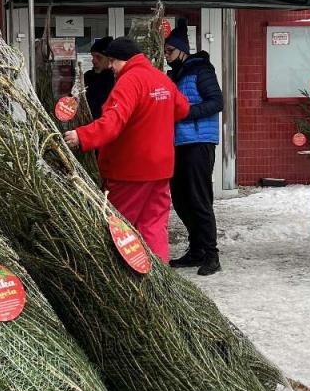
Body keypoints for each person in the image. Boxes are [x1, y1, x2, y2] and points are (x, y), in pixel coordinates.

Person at [65, 37, 189, 261]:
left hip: (129, 170)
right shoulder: (160, 78)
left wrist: (81, 135)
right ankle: (158, 278)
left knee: (120, 227)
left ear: (125, 59)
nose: (110, 66)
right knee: (154, 225)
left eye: (113, 61)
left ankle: (126, 279)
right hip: (160, 167)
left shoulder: (129, 81)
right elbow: (182, 109)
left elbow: (112, 123)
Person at [163, 23, 223, 276]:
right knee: (180, 198)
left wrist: (187, 113)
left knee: (199, 199)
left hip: (199, 142)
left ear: (182, 50)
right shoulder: (173, 75)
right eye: (165, 51)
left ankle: (211, 254)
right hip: (178, 143)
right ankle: (196, 249)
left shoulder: (201, 70)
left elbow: (217, 102)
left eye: (169, 50)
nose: (166, 55)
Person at [83, 36, 116, 120]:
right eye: (93, 56)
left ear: (110, 59)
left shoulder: (116, 79)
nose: (94, 61)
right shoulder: (88, 77)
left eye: (99, 57)